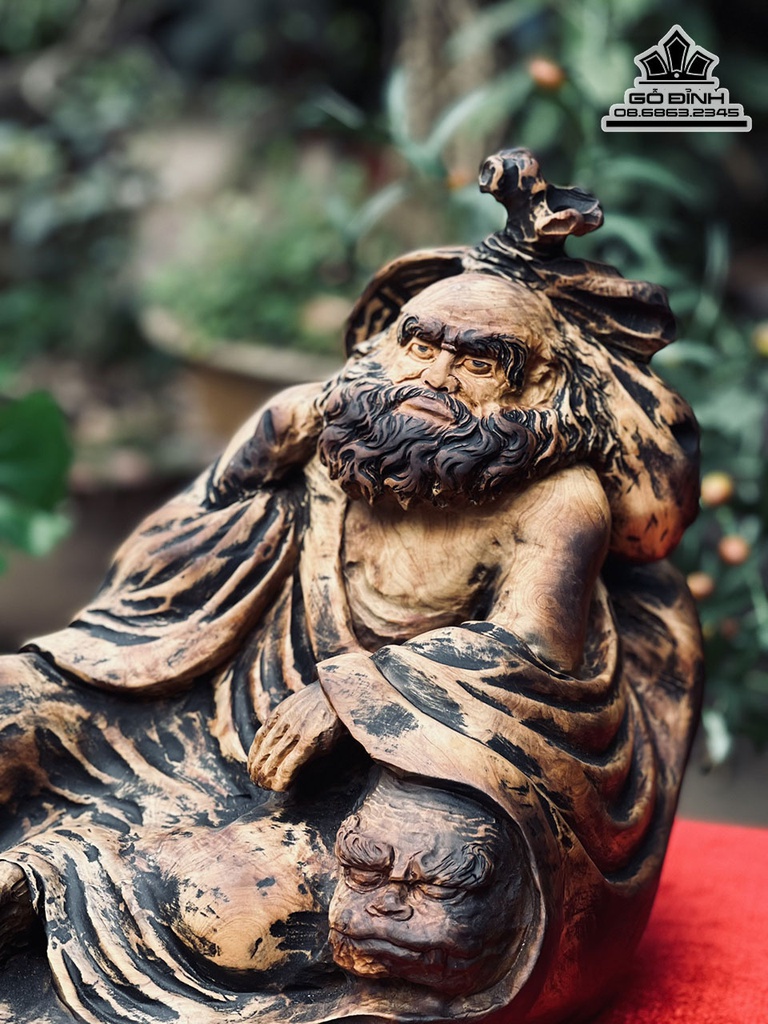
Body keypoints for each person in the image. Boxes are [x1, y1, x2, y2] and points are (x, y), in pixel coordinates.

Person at [0, 149, 703, 1024]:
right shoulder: (329, 441)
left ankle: (53, 894)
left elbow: (533, 652)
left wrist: (354, 692)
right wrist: (248, 469)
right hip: (206, 715)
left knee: (263, 901)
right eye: (421, 343)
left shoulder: (556, 500)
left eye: (479, 361)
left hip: (397, 764)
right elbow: (152, 585)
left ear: (537, 386)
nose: (434, 376)